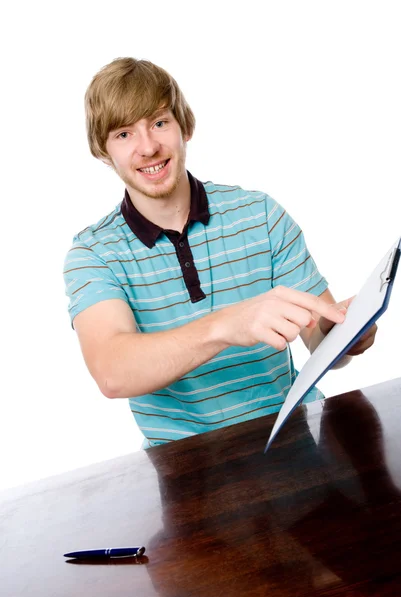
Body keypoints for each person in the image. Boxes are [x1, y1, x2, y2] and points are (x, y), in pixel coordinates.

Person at [63, 57, 377, 448]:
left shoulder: (259, 214)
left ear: (185, 127)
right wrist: (227, 325)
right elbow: (112, 372)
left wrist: (343, 333)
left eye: (160, 123)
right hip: (187, 471)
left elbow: (318, 339)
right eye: (124, 134)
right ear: (102, 150)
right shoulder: (93, 254)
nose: (148, 147)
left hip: (293, 440)